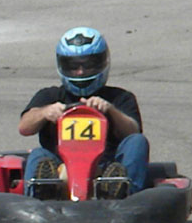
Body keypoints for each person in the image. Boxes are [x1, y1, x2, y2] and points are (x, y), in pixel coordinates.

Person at [18, 28, 149, 199]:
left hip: (107, 167)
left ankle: (122, 194)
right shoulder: (50, 96)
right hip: (61, 166)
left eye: (87, 65)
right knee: (37, 155)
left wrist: (110, 111)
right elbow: (24, 127)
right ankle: (42, 196)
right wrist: (45, 112)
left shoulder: (120, 97)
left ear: (102, 63)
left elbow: (133, 132)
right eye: (73, 66)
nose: (80, 72)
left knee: (138, 142)